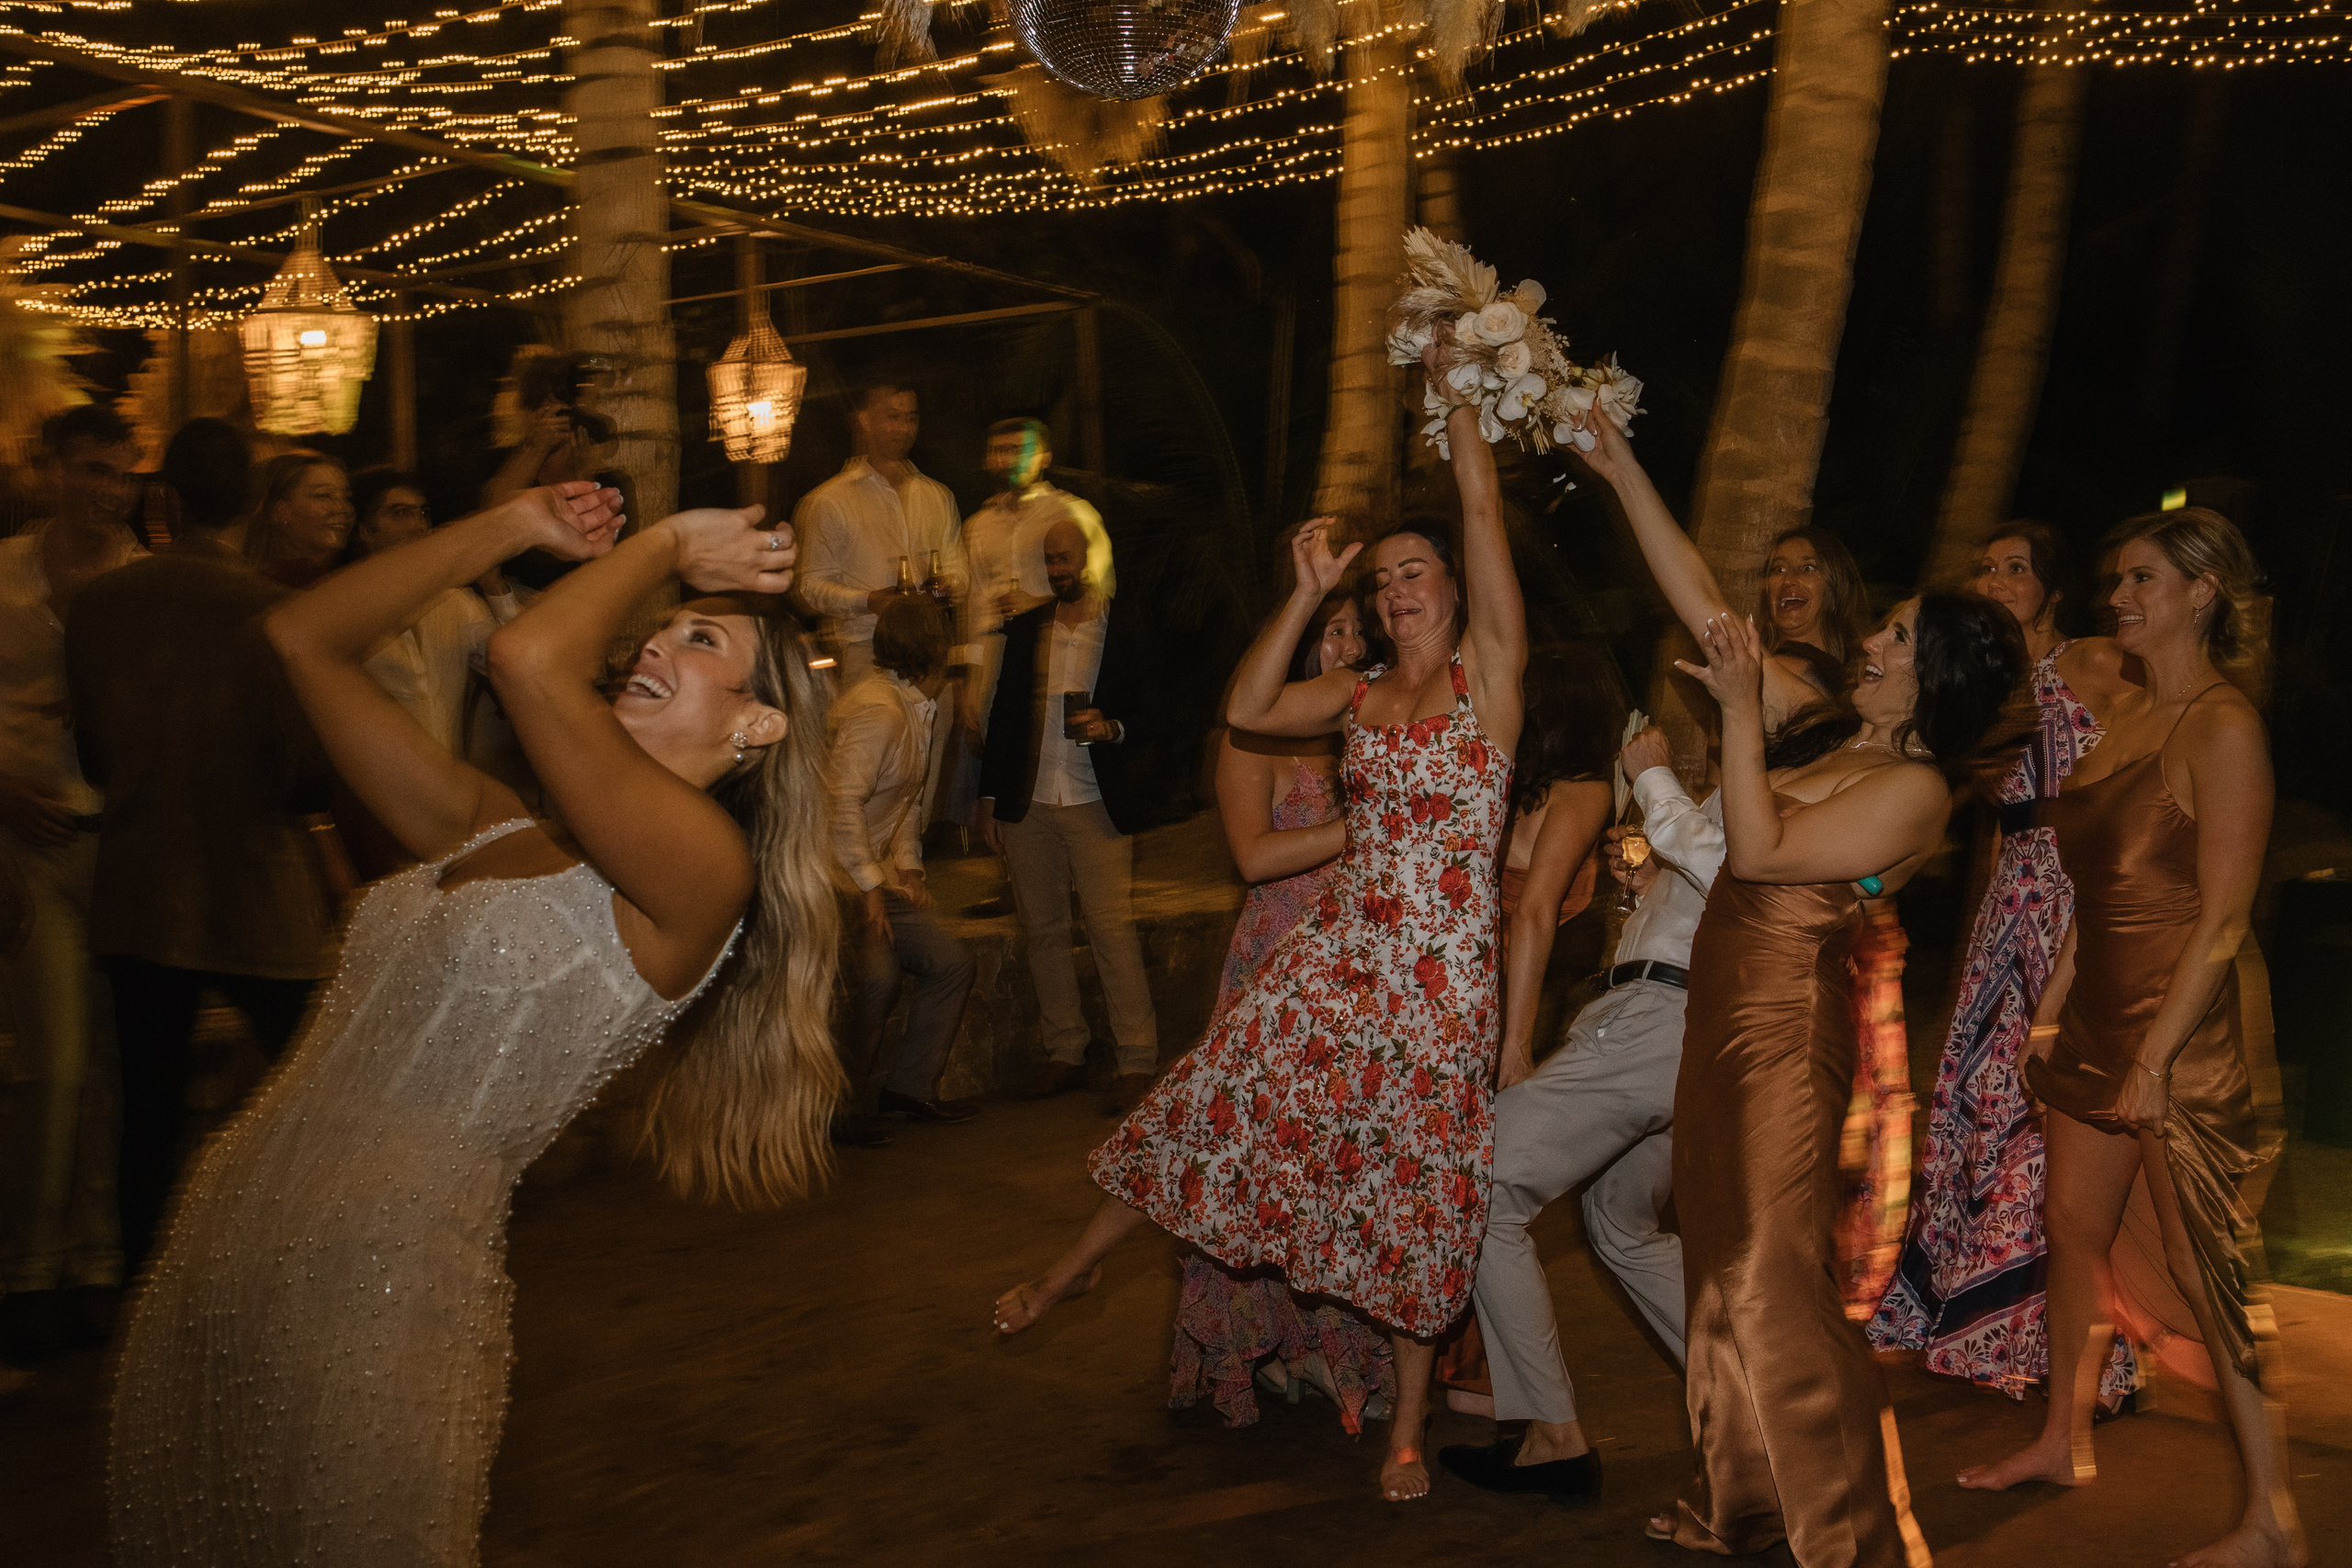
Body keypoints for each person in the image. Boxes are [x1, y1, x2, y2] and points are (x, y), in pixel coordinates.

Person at [108, 484, 842, 1566]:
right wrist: (511, 526)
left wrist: (673, 542)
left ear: (755, 722)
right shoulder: (482, 826)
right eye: (662, 623)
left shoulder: (700, 875)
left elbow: (528, 661)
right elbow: (300, 637)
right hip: (227, 1240)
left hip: (376, 1281)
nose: (650, 641)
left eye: (700, 637)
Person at [993, 365, 1530, 1507]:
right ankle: (1069, 1273)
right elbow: (1245, 709)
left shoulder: (1491, 685)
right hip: (1339, 955)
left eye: (1411, 574)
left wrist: (1464, 398)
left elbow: (1483, 516)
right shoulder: (1359, 697)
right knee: (1214, 1098)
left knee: (1415, 1192)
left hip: (1438, 985)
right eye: (1381, 582)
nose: (1395, 595)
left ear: (1453, 586)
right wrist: (1303, 592)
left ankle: (1406, 1428)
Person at [1581, 406, 2025, 1563]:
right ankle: (1750, 1504)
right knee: (1719, 1278)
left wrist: (1732, 715)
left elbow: (1766, 852)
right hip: (1720, 1016)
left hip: (1784, 1037)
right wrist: (1620, 461)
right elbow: (1705, 612)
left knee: (1772, 1280)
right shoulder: (1833, 732)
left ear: (1927, 674)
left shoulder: (1918, 795)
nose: (1869, 641)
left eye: (1891, 634)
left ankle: (1848, 1535)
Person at [1958, 509, 2303, 1568]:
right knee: (2071, 1227)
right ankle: (2063, 1439)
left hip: (2184, 1030)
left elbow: (2224, 916)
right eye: (2116, 579)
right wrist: (2054, 1008)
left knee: (2208, 1272)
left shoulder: (2222, 725)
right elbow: (2085, 889)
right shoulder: (2130, 721)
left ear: (2201, 593)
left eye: (2142, 579)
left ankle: (2273, 1518)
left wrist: (2154, 1060)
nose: (2118, 596)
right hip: (2100, 1013)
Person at [1868, 522, 2140, 1404]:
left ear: (2051, 587)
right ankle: (1968, 1308)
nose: (1996, 580)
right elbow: (1993, 827)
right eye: (1985, 567)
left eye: (2015, 568)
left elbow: (2145, 759)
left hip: (2072, 896)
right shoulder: (1989, 690)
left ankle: (2042, 1336)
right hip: (2007, 909)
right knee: (1975, 1105)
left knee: (2036, 1110)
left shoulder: (2089, 661)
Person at [63, 419, 338, 1279]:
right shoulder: (277, 613)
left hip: (143, 885)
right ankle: (307, 1268)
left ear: (165, 497)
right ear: (253, 503)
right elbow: (305, 775)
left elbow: (97, 759)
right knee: (311, 1099)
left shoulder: (98, 608)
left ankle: (144, 1298)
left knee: (148, 1114)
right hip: (257, 886)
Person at [1442, 704, 1717, 1504]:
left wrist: (1653, 773)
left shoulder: (1770, 784)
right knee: (1620, 1223)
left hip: (1657, 1024)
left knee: (1482, 1179)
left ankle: (1551, 1434)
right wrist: (1648, 887)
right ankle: (1755, 1400)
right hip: (1668, 1023)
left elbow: (1736, 866)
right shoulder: (1749, 782)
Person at [1170, 589, 1390, 1433]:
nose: (1347, 646)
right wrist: (1362, 821)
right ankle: (1260, 1343)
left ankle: (1324, 1345)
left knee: (1337, 1167)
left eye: (1359, 634)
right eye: (1331, 631)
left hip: (1359, 969)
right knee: (1260, 1166)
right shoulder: (1251, 738)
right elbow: (1255, 855)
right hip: (1277, 961)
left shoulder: (1369, 734)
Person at [0, 404, 143, 1360]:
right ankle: (23, 1271)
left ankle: (93, 1264)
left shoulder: (143, 584)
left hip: (123, 840)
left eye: (119, 474)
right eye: (89, 470)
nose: (104, 490)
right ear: (50, 470)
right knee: (51, 1064)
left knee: (109, 1065)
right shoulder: (3, 572)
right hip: (23, 844)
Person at [976, 517, 1164, 1115]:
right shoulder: (1028, 628)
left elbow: (1157, 712)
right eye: (1051, 560)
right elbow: (1004, 716)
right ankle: (1067, 1051)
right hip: (1031, 803)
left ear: (1092, 560)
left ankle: (1137, 1059)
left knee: (1112, 931)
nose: (1059, 570)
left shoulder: (1126, 626)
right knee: (1044, 933)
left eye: (1067, 559)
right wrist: (988, 800)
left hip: (1096, 803)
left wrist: (1112, 727)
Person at [828, 593, 976, 1142]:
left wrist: (909, 870)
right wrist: (871, 888)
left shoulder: (913, 707)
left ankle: (908, 1089)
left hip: (869, 874)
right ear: (933, 651)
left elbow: (907, 798)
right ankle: (834, 1110)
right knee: (876, 975)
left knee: (951, 962)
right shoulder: (880, 712)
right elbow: (839, 801)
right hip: (829, 876)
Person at [792, 379, 967, 686]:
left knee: (933, 735)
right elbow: (811, 588)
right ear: (864, 420)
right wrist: (869, 600)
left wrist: (952, 584)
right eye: (893, 417)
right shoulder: (829, 501)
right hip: (867, 650)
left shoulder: (938, 495)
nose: (904, 428)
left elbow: (957, 567)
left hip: (931, 649)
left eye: (911, 418)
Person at [342, 468, 522, 757]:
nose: (418, 526)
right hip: (373, 782)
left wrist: (493, 583)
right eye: (400, 513)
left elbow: (517, 665)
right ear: (366, 531)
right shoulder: (343, 609)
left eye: (423, 513)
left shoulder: (453, 601)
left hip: (448, 781)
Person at [1756, 525, 1868, 692]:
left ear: (1836, 585)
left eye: (1807, 568)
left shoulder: (1862, 682)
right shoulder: (1751, 662)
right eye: (1779, 569)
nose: (1788, 580)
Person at [242, 451, 353, 590]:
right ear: (281, 512)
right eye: (324, 495)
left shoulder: (342, 578)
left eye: (346, 497)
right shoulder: (270, 585)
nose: (343, 508)